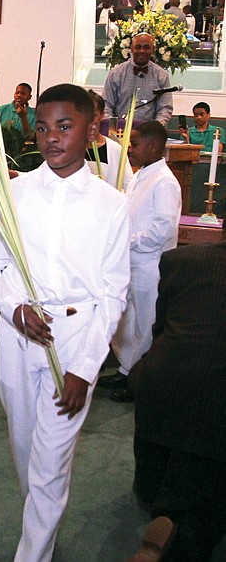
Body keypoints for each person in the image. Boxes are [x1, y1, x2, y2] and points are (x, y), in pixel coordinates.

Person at [0, 83, 130, 562]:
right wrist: (14, 308)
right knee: (27, 453)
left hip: (77, 337)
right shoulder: (13, 194)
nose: (51, 138)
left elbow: (112, 293)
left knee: (50, 461)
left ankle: (33, 553)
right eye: (43, 127)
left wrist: (85, 367)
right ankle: (43, 521)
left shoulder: (111, 204)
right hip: (19, 340)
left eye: (65, 127)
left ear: (91, 131)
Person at [126, 220, 226, 562]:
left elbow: (161, 327)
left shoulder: (178, 261)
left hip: (158, 393)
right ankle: (178, 529)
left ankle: (165, 512)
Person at [98, 121, 182, 402]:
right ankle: (127, 369)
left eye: (134, 144)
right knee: (128, 320)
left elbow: (163, 229)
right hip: (132, 262)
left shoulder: (165, 182)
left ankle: (141, 382)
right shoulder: (140, 175)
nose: (129, 149)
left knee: (146, 324)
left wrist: (128, 239)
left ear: (154, 146)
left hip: (151, 265)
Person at [102, 32, 173, 126]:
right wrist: (112, 128)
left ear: (153, 49)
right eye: (138, 47)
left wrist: (156, 129)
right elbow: (106, 104)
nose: (142, 51)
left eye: (146, 47)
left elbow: (165, 107)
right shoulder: (115, 73)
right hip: (119, 131)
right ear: (131, 48)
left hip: (148, 134)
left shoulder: (161, 75)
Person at [86, 89, 133, 189]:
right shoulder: (69, 148)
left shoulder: (116, 150)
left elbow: (128, 186)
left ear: (102, 115)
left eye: (93, 115)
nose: (88, 119)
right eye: (84, 114)